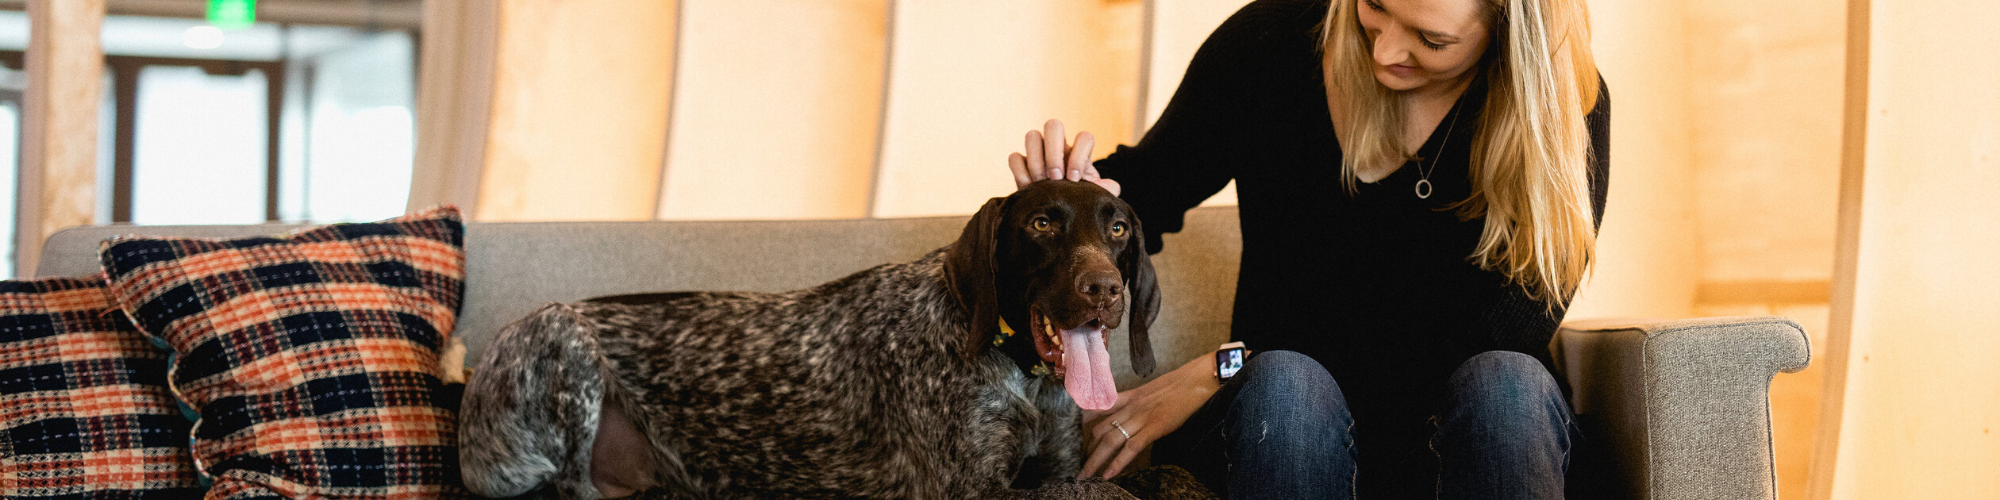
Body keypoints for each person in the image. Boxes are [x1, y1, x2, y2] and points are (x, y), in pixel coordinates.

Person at [1004, 0, 1610, 497]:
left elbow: (1491, 337)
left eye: (1430, 39)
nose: (1385, 51)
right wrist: (1072, 192)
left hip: (1463, 443)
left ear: (1510, 31)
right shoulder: (1268, 46)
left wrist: (1222, 367)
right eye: (1374, 6)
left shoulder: (1563, 114)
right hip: (1284, 436)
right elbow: (1146, 194)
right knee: (1289, 384)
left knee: (1505, 382)